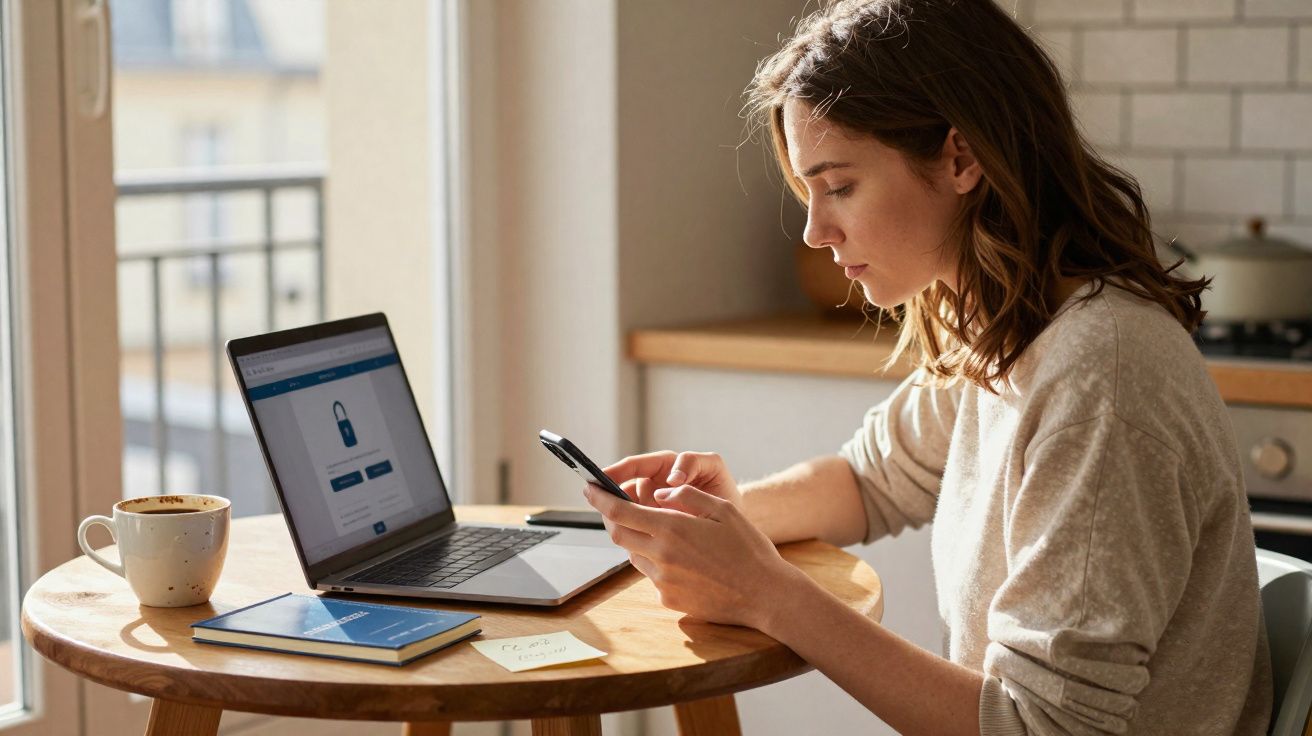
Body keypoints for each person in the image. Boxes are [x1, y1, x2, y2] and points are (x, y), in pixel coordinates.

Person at [581, 0, 1273, 733]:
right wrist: (725, 519)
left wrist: (766, 592)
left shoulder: (1101, 376)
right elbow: (872, 480)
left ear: (961, 158)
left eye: (839, 186)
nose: (814, 231)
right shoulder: (1007, 326)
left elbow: (1040, 727)